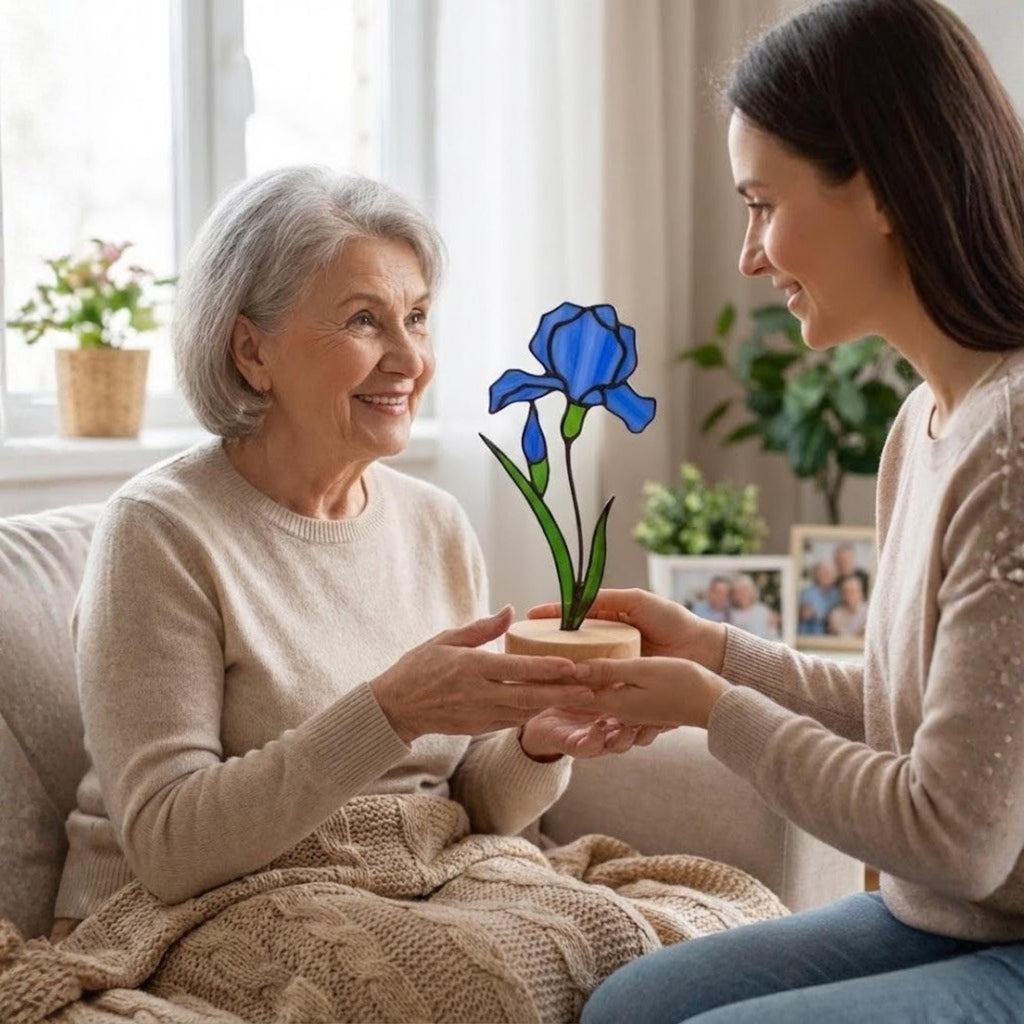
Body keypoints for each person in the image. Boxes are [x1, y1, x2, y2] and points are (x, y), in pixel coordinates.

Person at [534, 1, 1024, 1018]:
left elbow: (958, 837)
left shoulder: (1011, 440)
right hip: (952, 920)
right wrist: (710, 651)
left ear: (881, 188)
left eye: (761, 203)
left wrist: (712, 710)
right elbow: (925, 721)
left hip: (993, 921)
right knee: (627, 1006)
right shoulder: (924, 422)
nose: (749, 255)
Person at [49, 167, 658, 944]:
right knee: (504, 976)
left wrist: (539, 739)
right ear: (251, 351)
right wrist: (393, 710)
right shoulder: (159, 531)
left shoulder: (433, 522)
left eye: (417, 317)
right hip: (189, 916)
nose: (410, 359)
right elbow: (170, 847)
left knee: (669, 939)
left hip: (407, 881)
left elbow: (468, 801)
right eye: (365, 321)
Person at [725, 573, 779, 640]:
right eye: (738, 592)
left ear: (752, 592)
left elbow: (773, 635)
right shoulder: (730, 613)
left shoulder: (763, 610)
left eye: (745, 590)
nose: (741, 594)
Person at [797, 560, 838, 635]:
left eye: (830, 573)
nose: (828, 576)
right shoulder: (808, 593)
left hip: (830, 636)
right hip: (809, 635)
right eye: (824, 573)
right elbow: (805, 614)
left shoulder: (836, 593)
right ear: (817, 575)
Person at [827, 573, 868, 638]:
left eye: (854, 591)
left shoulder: (869, 612)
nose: (851, 595)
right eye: (847, 591)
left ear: (861, 593)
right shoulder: (835, 615)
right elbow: (841, 638)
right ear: (841, 594)